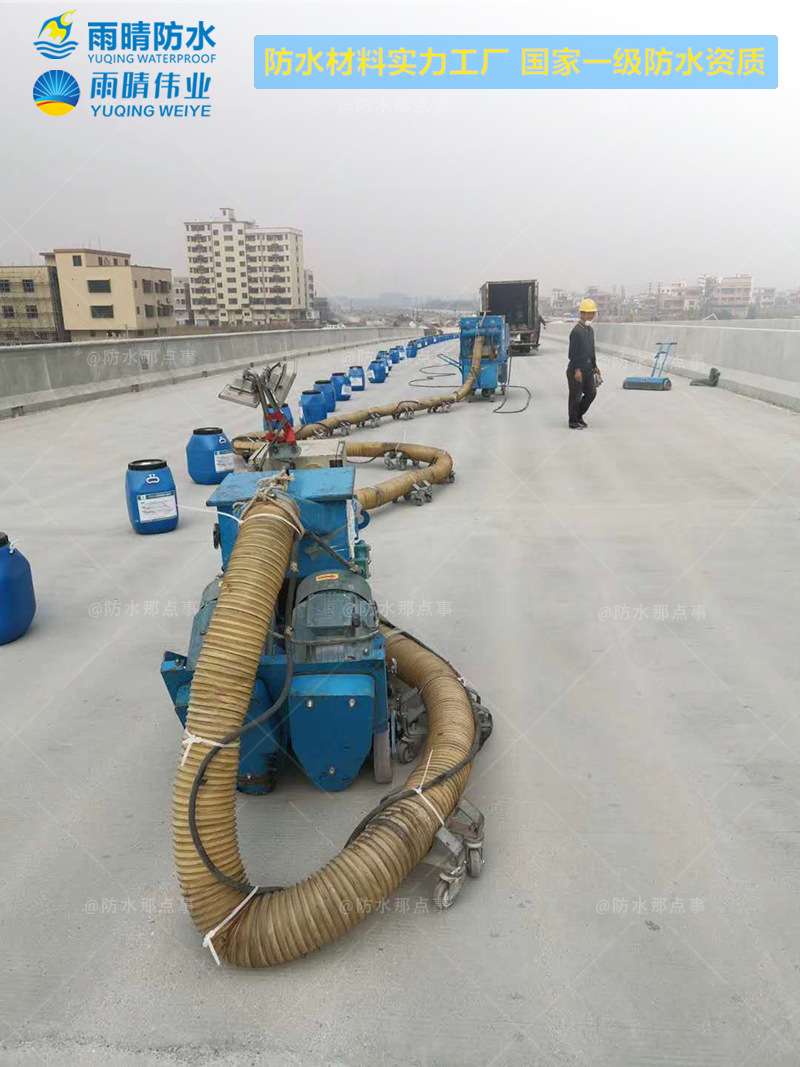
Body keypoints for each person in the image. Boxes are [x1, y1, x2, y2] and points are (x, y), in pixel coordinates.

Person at [567, 298, 602, 429]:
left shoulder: (590, 330)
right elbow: (572, 353)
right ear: (582, 313)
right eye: (588, 313)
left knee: (591, 393)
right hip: (576, 369)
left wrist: (595, 366)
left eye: (593, 313)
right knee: (575, 395)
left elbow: (591, 350)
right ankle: (573, 421)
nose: (591, 316)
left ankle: (579, 415)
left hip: (588, 369)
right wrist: (577, 370)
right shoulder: (576, 332)